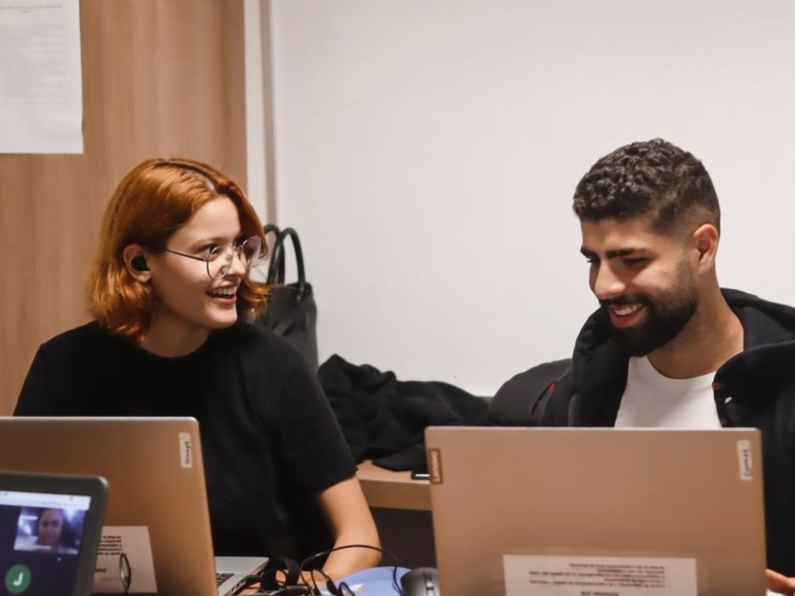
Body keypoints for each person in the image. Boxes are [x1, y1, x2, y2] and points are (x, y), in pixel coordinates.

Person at [14, 158, 380, 580]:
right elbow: (27, 531)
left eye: (241, 247)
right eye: (211, 250)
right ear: (139, 263)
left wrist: (312, 588)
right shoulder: (63, 366)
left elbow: (360, 536)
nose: (238, 268)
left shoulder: (273, 366)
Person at [537, 139, 795, 594]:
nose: (604, 285)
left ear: (702, 248)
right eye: (593, 261)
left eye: (631, 260)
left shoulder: (785, 389)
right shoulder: (581, 396)